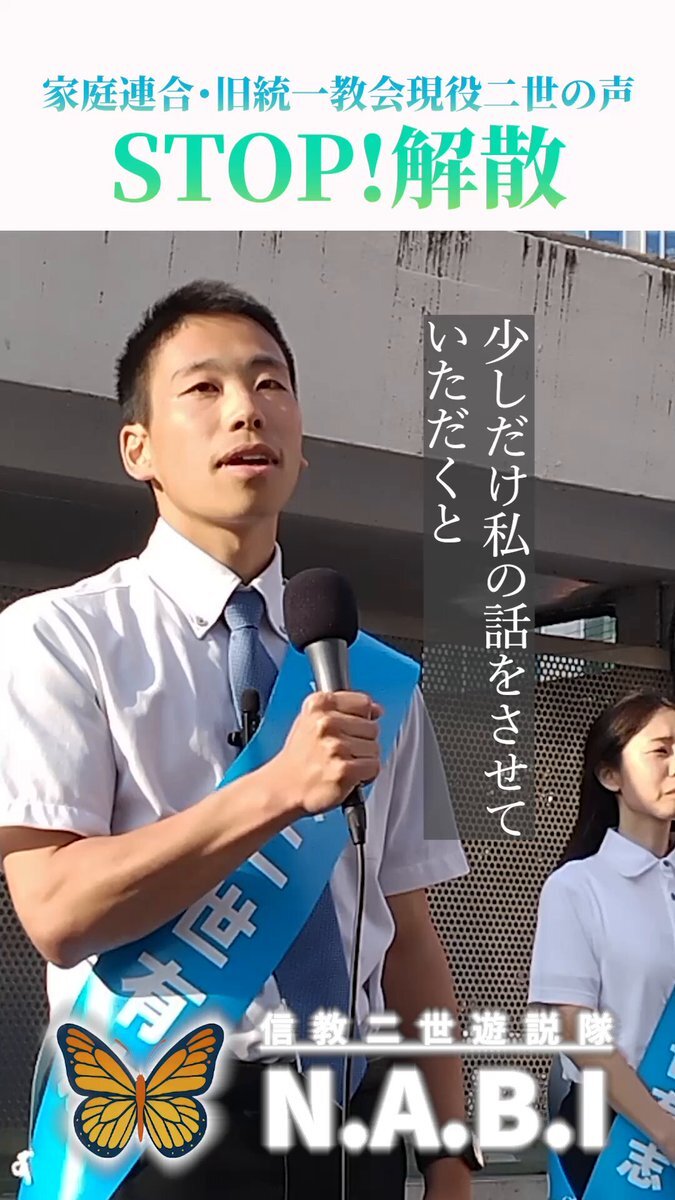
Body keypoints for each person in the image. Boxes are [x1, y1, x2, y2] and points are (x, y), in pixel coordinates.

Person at [0, 281, 475, 1199]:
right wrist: (275, 790)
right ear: (138, 448)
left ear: (302, 442)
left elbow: (408, 937)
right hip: (157, 1122)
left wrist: (450, 1158)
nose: (246, 410)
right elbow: (55, 910)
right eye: (203, 388)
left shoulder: (375, 677)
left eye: (269, 384)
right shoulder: (57, 638)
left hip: (352, 1121)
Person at [529, 690, 675, 1196]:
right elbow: (574, 1027)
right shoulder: (577, 887)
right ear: (610, 775)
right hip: (611, 1135)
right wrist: (663, 1130)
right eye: (661, 751)